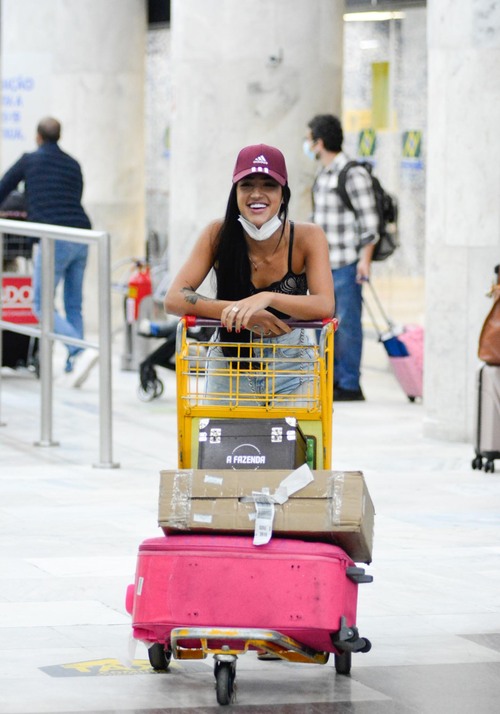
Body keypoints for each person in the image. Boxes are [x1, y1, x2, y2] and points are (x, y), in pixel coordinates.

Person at [164, 143, 334, 404]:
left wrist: (268, 298)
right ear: (235, 193)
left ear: (283, 195)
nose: (257, 194)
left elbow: (324, 304)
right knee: (222, 444)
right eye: (247, 185)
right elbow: (174, 298)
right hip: (229, 363)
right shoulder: (217, 235)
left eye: (269, 185)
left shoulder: (308, 237)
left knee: (295, 444)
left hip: (292, 364)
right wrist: (242, 313)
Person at [0, 117, 97, 387]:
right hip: (82, 235)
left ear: (38, 136)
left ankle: (79, 350)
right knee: (73, 304)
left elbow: (4, 187)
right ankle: (73, 367)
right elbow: (74, 196)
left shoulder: (29, 160)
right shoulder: (73, 163)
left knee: (40, 304)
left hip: (53, 237)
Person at [304, 114, 379, 401]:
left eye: (309, 138)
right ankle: (330, 380)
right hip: (322, 266)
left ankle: (349, 384)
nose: (307, 144)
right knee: (323, 325)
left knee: (347, 325)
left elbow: (370, 224)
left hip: (347, 263)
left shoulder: (352, 173)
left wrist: (365, 261)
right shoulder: (324, 174)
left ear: (319, 142)